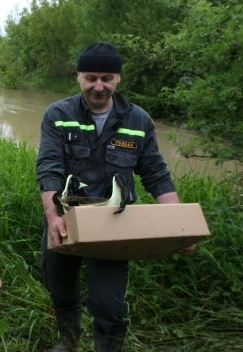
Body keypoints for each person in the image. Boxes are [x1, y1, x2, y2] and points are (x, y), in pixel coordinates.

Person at [35, 42, 181, 352]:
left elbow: (155, 172)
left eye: (106, 78)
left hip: (115, 224)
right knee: (60, 288)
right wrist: (52, 216)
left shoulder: (138, 120)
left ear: (118, 79)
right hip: (65, 217)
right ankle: (68, 340)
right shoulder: (57, 115)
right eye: (91, 78)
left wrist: (179, 222)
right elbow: (49, 167)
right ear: (79, 78)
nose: (98, 86)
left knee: (109, 303)